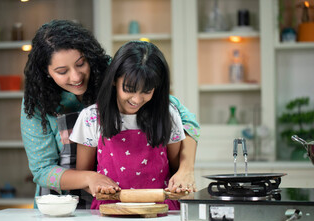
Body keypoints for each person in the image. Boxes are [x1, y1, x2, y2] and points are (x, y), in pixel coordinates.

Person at [20, 20, 200, 208]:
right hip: (62, 202)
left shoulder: (113, 74)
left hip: (119, 199)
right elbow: (42, 170)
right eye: (62, 71)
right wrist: (90, 177)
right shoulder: (36, 100)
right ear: (46, 72)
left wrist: (186, 169)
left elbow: (186, 121)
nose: (76, 77)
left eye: (81, 64)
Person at [70, 41, 192, 210]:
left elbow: (175, 169)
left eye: (146, 91)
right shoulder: (91, 117)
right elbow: (82, 174)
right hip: (110, 211)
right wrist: (97, 184)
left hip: (161, 211)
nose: (136, 99)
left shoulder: (168, 114)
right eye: (129, 89)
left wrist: (181, 182)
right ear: (114, 80)